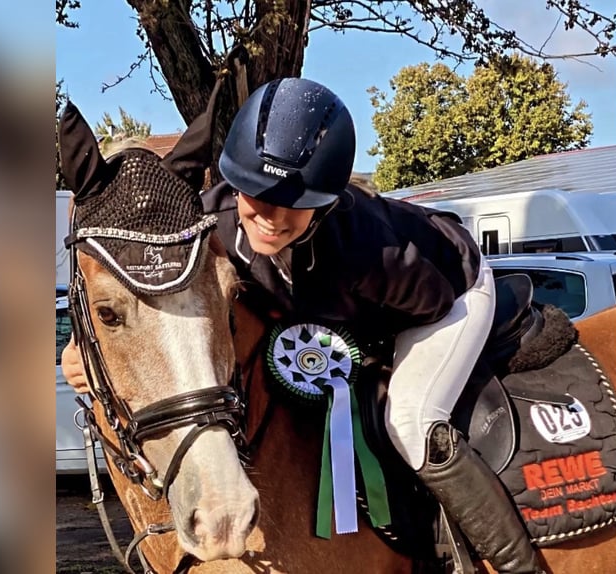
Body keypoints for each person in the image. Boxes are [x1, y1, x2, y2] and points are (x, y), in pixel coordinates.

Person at [62, 77, 544, 574]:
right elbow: (152, 289)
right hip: (352, 311)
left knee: (410, 421)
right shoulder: (212, 222)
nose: (270, 218)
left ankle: (514, 562)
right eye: (257, 196)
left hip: (447, 296)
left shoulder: (368, 253)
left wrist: (369, 365)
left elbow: (422, 309)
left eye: (295, 203)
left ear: (326, 200)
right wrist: (80, 345)